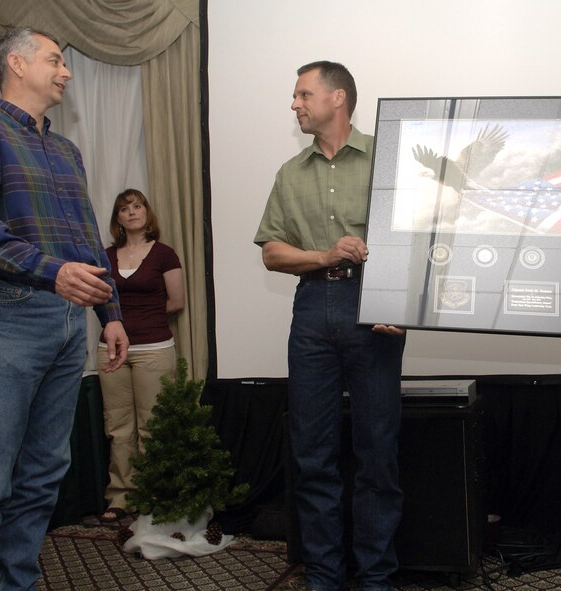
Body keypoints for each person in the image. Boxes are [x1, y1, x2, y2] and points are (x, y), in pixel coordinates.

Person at [0, 26, 129, 591]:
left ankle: (14, 583)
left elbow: (88, 239)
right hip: (5, 316)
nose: (65, 71)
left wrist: (111, 312)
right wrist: (54, 272)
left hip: (69, 321)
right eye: (55, 60)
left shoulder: (66, 149)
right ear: (17, 64)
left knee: (44, 476)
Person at [254, 61, 406, 591]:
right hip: (314, 308)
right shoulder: (289, 174)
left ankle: (376, 579)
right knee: (312, 456)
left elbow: (416, 239)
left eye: (302, 94)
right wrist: (323, 254)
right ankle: (323, 577)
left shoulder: (387, 160)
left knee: (376, 456)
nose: (294, 104)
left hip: (374, 308)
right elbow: (272, 252)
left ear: (337, 98)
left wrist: (400, 303)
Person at [96, 189, 184, 523]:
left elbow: (176, 302)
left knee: (154, 426)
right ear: (117, 218)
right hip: (111, 350)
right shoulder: (104, 256)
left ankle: (156, 495)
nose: (132, 212)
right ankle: (121, 497)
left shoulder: (164, 254)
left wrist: (143, 318)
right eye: (124, 209)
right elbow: (99, 300)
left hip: (154, 350)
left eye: (137, 206)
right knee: (118, 428)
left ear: (147, 212)